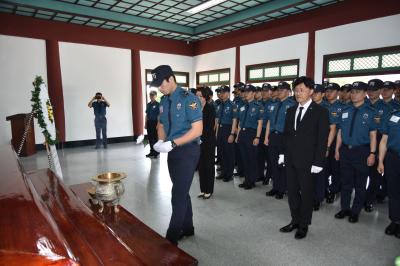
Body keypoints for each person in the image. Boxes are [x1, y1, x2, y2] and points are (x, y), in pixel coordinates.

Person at [151, 65, 203, 245]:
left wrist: (173, 143)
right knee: (182, 190)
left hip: (188, 151)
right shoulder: (164, 101)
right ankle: (188, 228)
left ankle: (171, 238)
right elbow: (162, 125)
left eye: (161, 84)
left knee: (177, 194)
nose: (159, 88)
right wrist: (160, 141)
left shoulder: (189, 99)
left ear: (171, 79)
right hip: (172, 151)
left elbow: (198, 130)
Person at [279, 77, 329, 239]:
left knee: (306, 193)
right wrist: (282, 154)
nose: (298, 93)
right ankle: (294, 220)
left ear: (311, 91)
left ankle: (304, 225)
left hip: (308, 161)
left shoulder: (321, 112)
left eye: (302, 90)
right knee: (292, 192)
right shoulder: (291, 110)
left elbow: (322, 139)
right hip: (291, 158)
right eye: (296, 90)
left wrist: (318, 162)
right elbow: (286, 135)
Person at [334, 81, 377, 223]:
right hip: (345, 150)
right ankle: (344, 208)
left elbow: (373, 135)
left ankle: (355, 211)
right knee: (345, 182)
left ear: (365, 93)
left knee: (360, 183)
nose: (354, 94)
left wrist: (372, 153)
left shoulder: (370, 112)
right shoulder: (346, 110)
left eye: (357, 92)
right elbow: (340, 131)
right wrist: (337, 149)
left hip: (362, 151)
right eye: (352, 92)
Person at [264, 82, 296, 199]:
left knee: (283, 164)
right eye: (279, 90)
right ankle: (275, 187)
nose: (279, 92)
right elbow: (269, 122)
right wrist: (267, 137)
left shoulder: (292, 105)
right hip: (273, 137)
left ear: (288, 91)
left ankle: (282, 189)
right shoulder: (275, 104)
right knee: (273, 163)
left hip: (284, 138)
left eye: (282, 90)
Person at [364, 79, 390, 212]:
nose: (371, 93)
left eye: (374, 90)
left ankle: (369, 199)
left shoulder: (386, 107)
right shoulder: (362, 104)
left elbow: (385, 131)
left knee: (374, 175)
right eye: (369, 90)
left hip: (379, 141)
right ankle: (361, 196)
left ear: (380, 91)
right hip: (362, 142)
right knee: (361, 173)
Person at [377, 108, 400, 238]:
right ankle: (395, 221)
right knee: (393, 191)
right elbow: (384, 140)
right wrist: (380, 160)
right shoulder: (393, 115)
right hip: (392, 158)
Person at [236, 84, 264, 190]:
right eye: (244, 92)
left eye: (248, 92)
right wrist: (238, 136)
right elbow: (240, 122)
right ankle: (246, 180)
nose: (245, 94)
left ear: (253, 93)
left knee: (251, 158)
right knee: (244, 159)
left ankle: (251, 181)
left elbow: (260, 123)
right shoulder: (242, 106)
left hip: (251, 134)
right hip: (242, 134)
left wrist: (257, 137)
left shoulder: (258, 106)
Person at [323, 83, 344, 204]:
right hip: (323, 140)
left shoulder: (343, 107)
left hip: (337, 141)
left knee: (336, 168)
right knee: (324, 167)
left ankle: (334, 190)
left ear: (337, 92)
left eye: (331, 91)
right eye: (327, 91)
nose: (328, 93)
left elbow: (338, 128)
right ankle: (324, 188)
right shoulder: (322, 106)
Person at [196, 87, 216, 199]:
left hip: (208, 141)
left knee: (208, 165)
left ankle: (209, 190)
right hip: (198, 141)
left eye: (200, 96)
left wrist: (199, 135)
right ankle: (203, 189)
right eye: (197, 96)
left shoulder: (210, 108)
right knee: (201, 166)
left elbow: (209, 127)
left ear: (205, 97)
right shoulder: (195, 108)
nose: (198, 98)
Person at [215, 85, 238, 182]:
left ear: (228, 93)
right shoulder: (219, 105)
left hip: (228, 129)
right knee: (222, 153)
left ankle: (229, 174)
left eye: (223, 92)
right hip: (220, 130)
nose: (221, 94)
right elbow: (217, 120)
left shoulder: (232, 105)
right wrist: (216, 133)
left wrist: (232, 134)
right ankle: (223, 172)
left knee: (229, 153)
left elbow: (234, 120)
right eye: (220, 92)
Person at [145, 91, 160, 158]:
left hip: (155, 122)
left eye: (153, 95)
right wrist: (145, 123)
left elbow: (159, 115)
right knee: (150, 138)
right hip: (149, 122)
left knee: (155, 138)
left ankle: (156, 152)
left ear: (156, 96)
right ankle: (151, 151)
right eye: (150, 95)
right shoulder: (148, 104)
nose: (151, 96)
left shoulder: (158, 104)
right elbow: (146, 115)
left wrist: (158, 124)